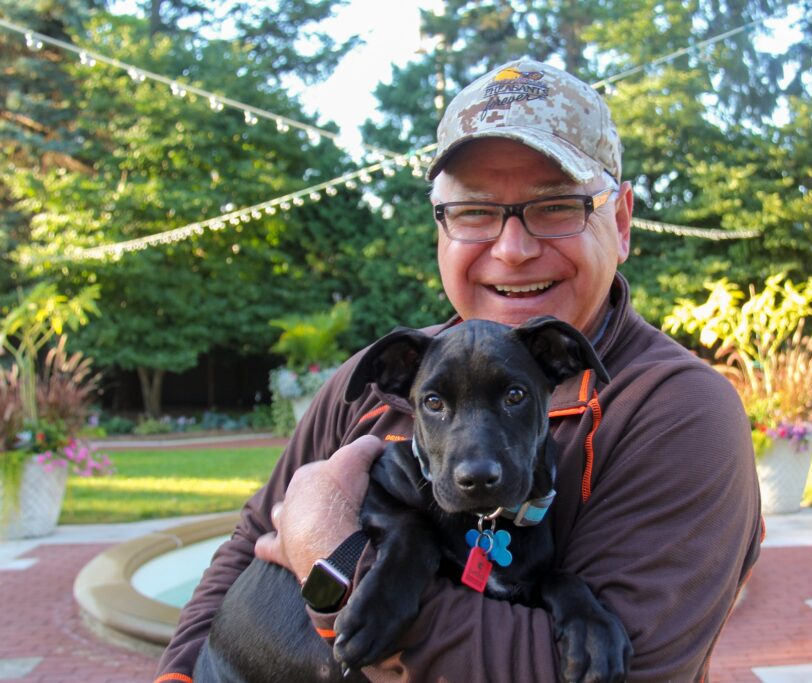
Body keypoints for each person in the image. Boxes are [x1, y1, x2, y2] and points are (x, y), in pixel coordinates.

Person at [155, 58, 761, 683]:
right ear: (440, 229)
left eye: (556, 206)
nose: (512, 249)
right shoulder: (381, 379)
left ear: (623, 221)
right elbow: (247, 545)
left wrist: (331, 558)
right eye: (474, 212)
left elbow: (630, 673)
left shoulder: (675, 411)